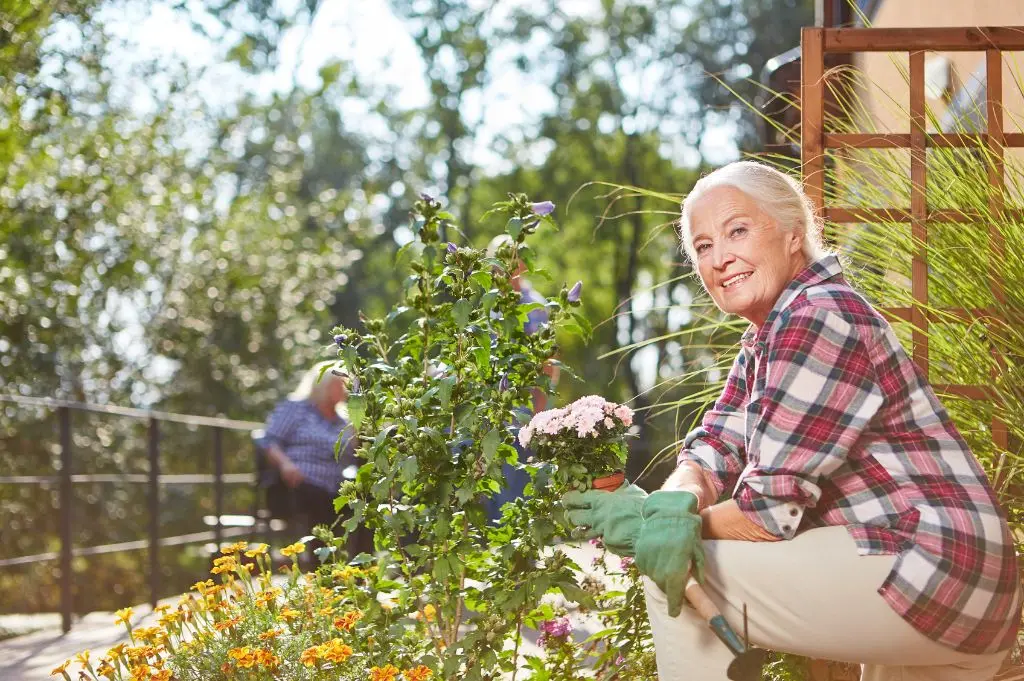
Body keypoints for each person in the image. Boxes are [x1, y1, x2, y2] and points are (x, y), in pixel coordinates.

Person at [564, 161, 1021, 681]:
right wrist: (675, 503)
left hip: (934, 567)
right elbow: (714, 444)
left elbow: (767, 513)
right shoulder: (769, 334)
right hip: (951, 575)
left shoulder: (817, 314)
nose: (720, 258)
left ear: (792, 235)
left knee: (680, 572)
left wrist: (656, 527)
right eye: (704, 246)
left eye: (737, 230)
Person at [485, 234, 559, 522]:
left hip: (523, 415)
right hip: (488, 416)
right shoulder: (487, 307)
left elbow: (548, 363)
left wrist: (539, 414)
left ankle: (519, 561)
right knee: (487, 494)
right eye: (499, 263)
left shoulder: (536, 307)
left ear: (522, 266)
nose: (504, 269)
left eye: (511, 262)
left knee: (518, 491)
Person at [261, 362, 369, 556]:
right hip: (297, 484)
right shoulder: (296, 408)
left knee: (366, 506)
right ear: (322, 384)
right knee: (319, 502)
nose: (345, 388)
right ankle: (321, 570)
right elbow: (269, 440)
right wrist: (285, 464)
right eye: (339, 383)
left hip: (335, 486)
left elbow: (355, 455)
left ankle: (361, 570)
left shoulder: (344, 420)